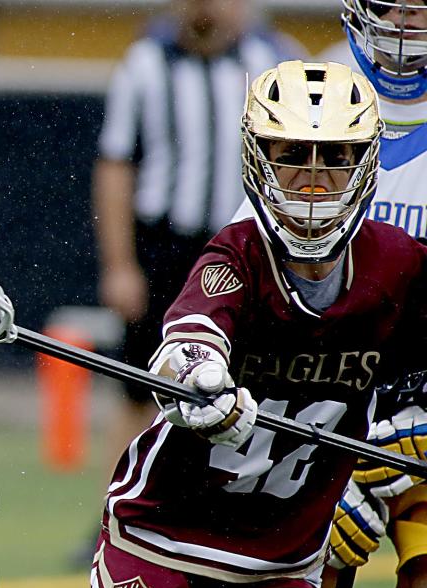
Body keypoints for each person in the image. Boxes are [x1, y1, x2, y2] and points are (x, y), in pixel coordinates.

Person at [91, 60, 427, 588]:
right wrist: (201, 385)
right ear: (257, 158)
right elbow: (187, 344)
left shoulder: (400, 265)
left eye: (337, 157)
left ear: (367, 163)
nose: (314, 181)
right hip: (160, 539)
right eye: (292, 152)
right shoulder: (237, 254)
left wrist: (396, 443)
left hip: (275, 565)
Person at [232, 1, 427, 588]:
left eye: (420, 8)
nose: (404, 22)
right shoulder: (315, 88)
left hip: (422, 410)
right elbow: (247, 266)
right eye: (390, 5)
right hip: (312, 399)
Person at [91, 0, 302, 488]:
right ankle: (116, 507)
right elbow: (116, 165)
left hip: (252, 247)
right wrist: (120, 264)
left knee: (254, 383)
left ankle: (247, 505)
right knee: (140, 386)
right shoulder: (144, 63)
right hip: (166, 245)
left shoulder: (274, 63)